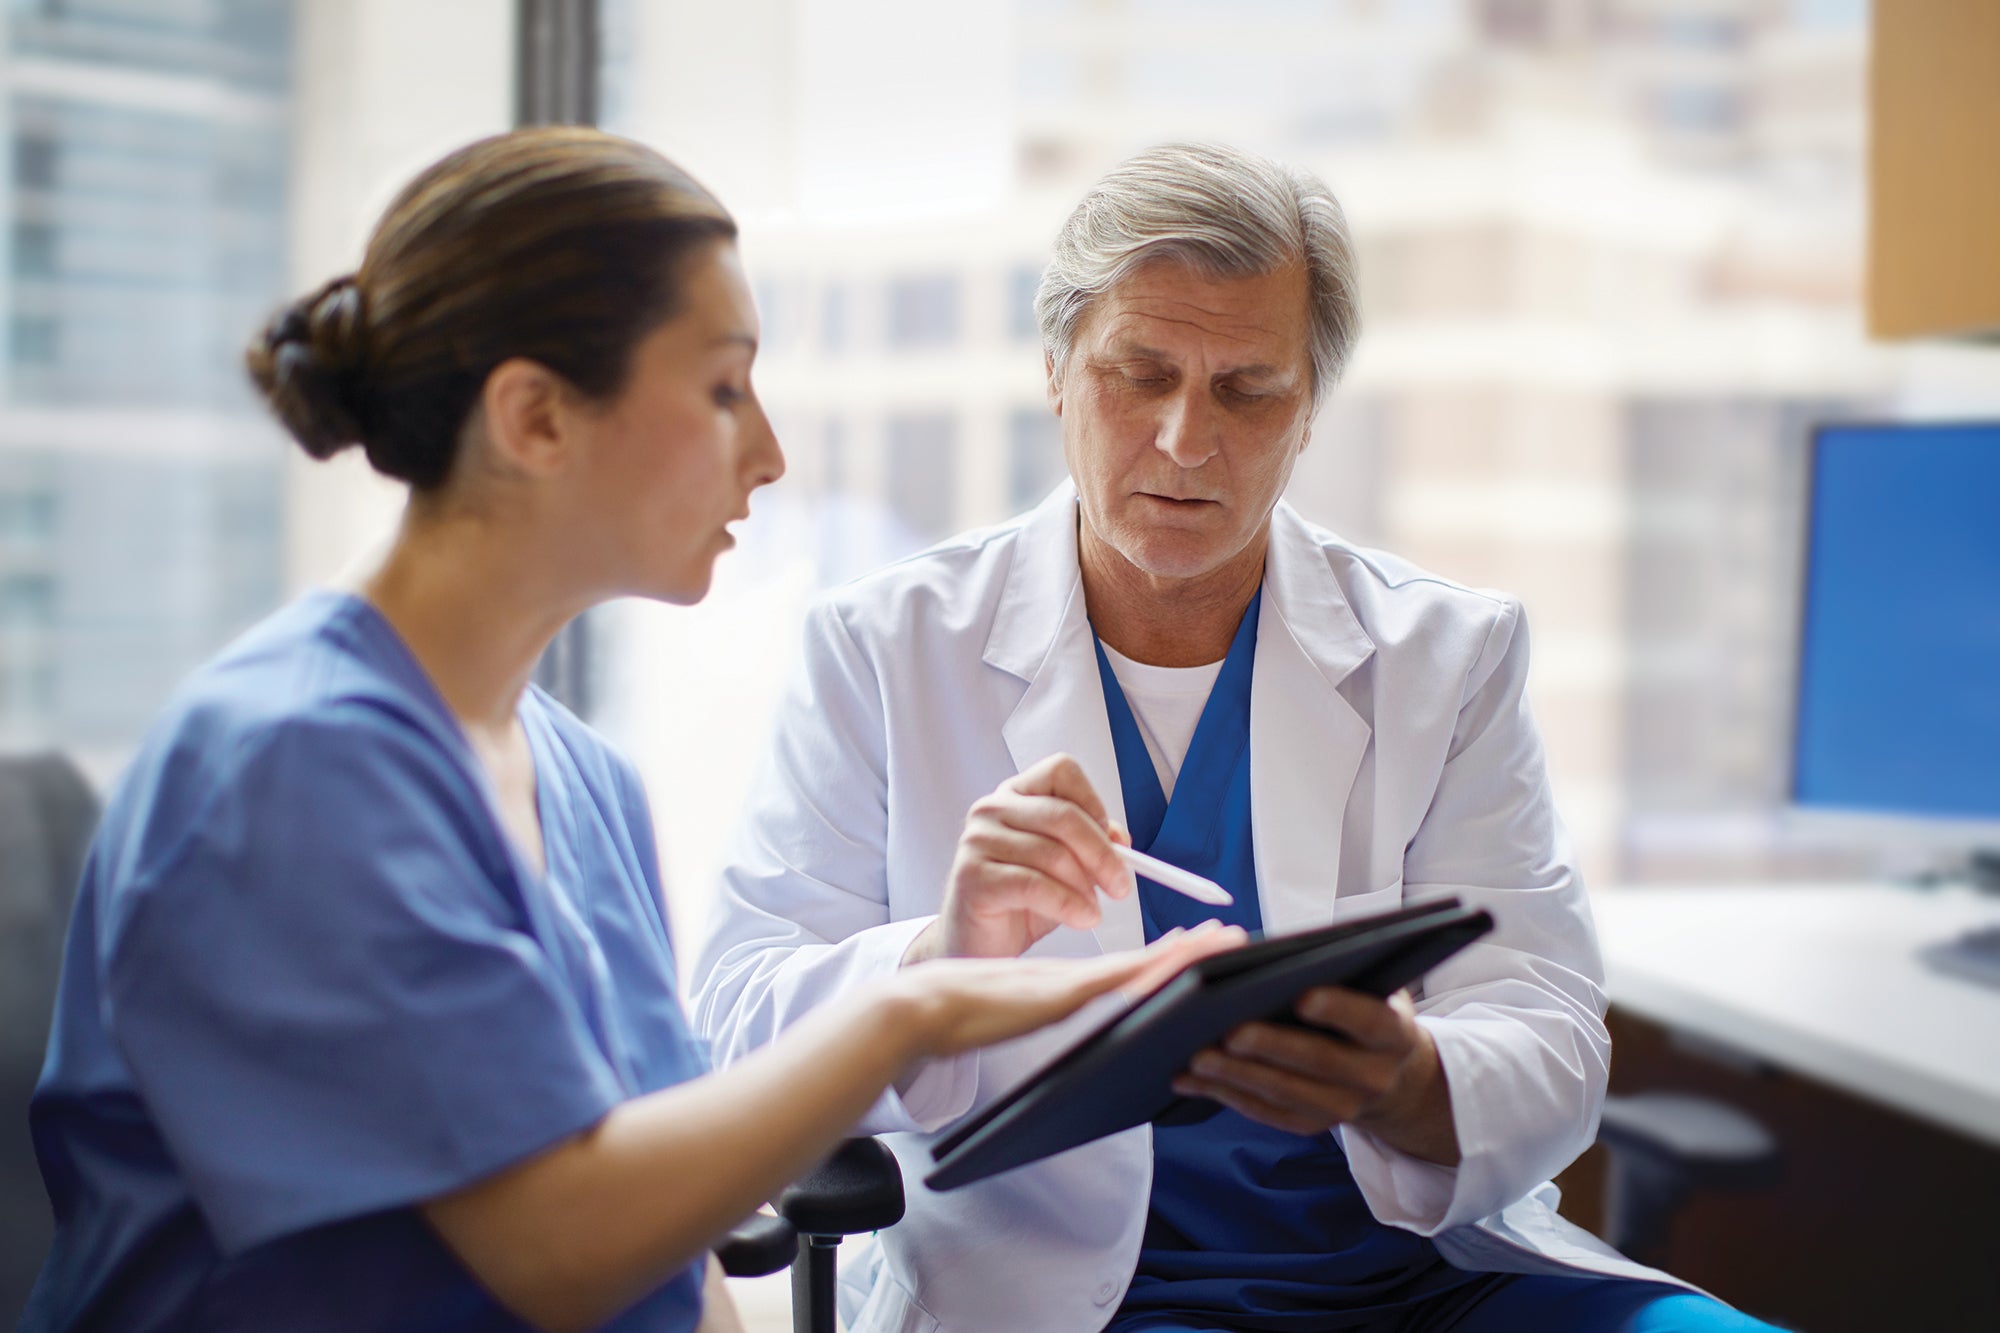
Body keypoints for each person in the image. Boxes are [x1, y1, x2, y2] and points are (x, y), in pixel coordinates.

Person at [20, 127, 1239, 1333]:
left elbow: (671, 1238)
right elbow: (559, 1251)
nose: (768, 455)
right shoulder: (294, 764)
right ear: (536, 418)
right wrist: (911, 1010)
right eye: (722, 390)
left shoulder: (582, 779)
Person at [691, 143, 1785, 1332]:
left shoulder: (1444, 656)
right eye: (1139, 374)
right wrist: (941, 958)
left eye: (1247, 389)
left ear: (1308, 411)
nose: (1183, 439)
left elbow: (1549, 1032)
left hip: (1427, 1284)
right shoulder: (886, 648)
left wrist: (1411, 1080)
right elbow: (735, 1022)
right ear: (1054, 372)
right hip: (1071, 1301)